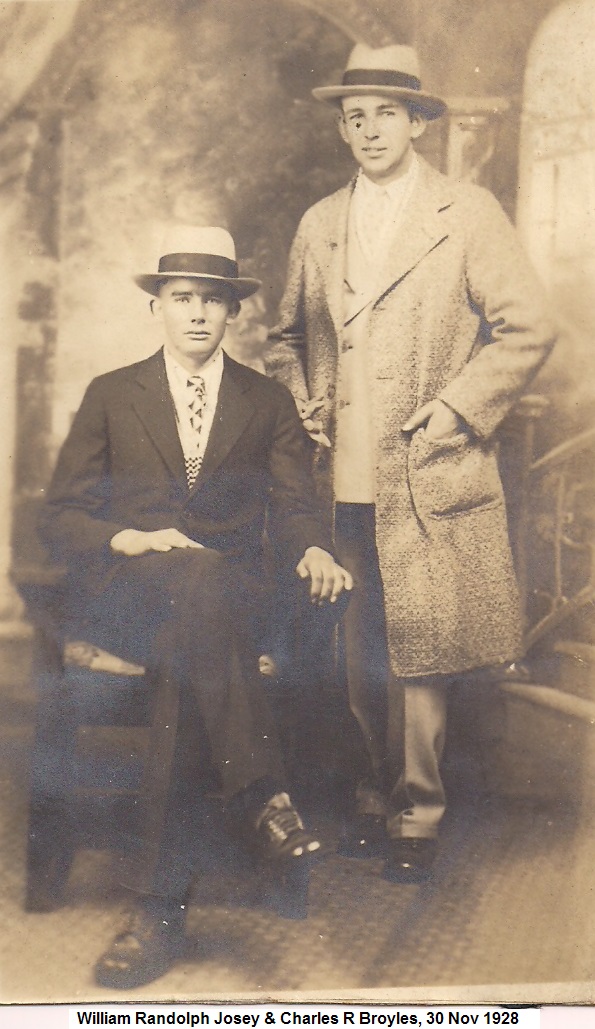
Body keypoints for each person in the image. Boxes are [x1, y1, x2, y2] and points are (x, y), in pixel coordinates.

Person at [267, 44, 556, 883]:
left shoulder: (465, 213)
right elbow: (285, 339)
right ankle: (371, 795)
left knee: (419, 645)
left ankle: (416, 813)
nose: (368, 130)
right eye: (353, 116)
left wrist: (458, 406)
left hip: (425, 467)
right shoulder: (320, 222)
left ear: (418, 122)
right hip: (341, 471)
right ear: (341, 128)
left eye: (385, 114)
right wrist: (305, 395)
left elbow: (529, 326)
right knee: (356, 646)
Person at [38, 225, 352, 988]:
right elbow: (63, 515)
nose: (198, 313)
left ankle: (158, 914)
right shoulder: (111, 393)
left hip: (225, 604)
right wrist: (132, 538)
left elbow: (294, 506)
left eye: (213, 299)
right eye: (182, 297)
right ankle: (261, 795)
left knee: (199, 620)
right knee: (195, 606)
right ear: (157, 305)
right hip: (131, 596)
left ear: (233, 310)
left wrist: (314, 547)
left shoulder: (266, 400)